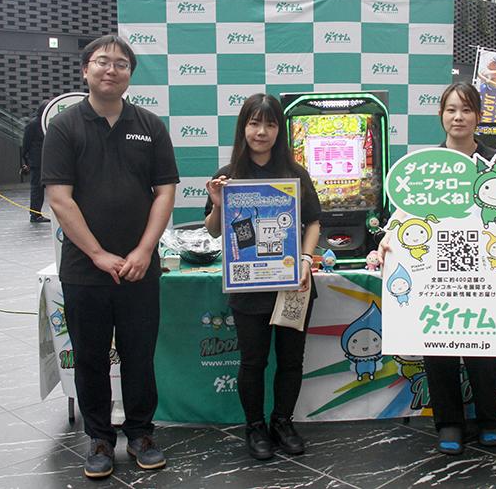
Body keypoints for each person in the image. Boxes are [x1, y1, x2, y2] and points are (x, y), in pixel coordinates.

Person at [42, 35, 179, 479]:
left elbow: (165, 192)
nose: (111, 69)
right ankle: (99, 439)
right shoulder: (65, 127)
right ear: (85, 69)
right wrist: (98, 254)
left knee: (140, 355)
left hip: (141, 268)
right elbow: (60, 199)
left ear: (130, 75)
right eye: (102, 61)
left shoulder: (150, 125)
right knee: (90, 358)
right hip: (85, 270)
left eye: (121, 64)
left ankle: (141, 434)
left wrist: (144, 250)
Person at [379, 82, 496, 455]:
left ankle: (488, 420)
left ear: (478, 116)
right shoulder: (427, 165)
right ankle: (449, 421)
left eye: (466, 110)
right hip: (435, 269)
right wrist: (388, 240)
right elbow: (406, 213)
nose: (458, 117)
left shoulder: (495, 162)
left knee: (487, 344)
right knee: (438, 344)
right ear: (441, 115)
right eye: (451, 110)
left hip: (485, 269)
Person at [204, 94, 321, 461]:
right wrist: (219, 204)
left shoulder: (296, 173)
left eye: (270, 124)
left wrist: (305, 260)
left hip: (293, 284)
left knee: (291, 361)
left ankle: (282, 422)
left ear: (279, 130)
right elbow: (213, 230)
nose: (261, 131)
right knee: (253, 362)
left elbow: (313, 222)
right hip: (249, 286)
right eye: (254, 123)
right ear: (244, 128)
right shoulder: (228, 175)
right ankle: (254, 426)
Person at [22, 100, 50, 223]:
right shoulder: (33, 124)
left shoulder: (46, 123)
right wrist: (26, 161)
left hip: (46, 160)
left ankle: (36, 214)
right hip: (37, 161)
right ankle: (35, 214)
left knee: (39, 188)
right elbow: (26, 144)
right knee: (37, 188)